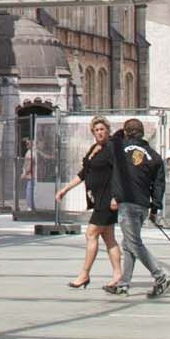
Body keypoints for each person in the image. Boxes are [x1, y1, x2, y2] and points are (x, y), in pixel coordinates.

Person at [54, 115, 123, 290]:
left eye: (102, 129)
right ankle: (118, 275)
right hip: (97, 199)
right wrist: (65, 189)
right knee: (109, 238)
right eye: (96, 130)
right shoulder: (95, 148)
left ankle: (84, 274)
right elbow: (84, 173)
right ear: (93, 132)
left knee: (91, 234)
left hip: (107, 199)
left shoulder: (111, 148)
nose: (99, 132)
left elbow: (120, 172)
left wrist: (116, 197)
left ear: (108, 130)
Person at [109, 117, 170, 299]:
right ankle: (123, 284)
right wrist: (155, 208)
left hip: (126, 203)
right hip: (142, 205)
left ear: (126, 133)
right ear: (143, 133)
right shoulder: (154, 156)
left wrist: (120, 134)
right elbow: (159, 185)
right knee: (128, 245)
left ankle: (160, 276)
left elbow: (113, 139)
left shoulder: (119, 148)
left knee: (134, 244)